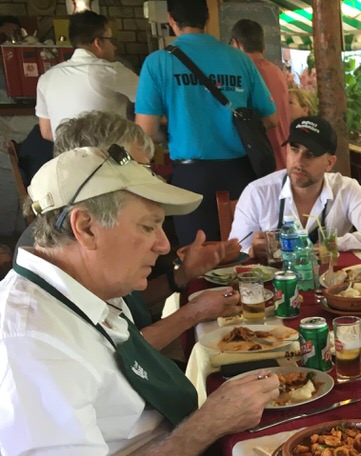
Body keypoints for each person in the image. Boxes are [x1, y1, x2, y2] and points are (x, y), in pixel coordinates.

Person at [0, 146, 281, 456]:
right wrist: (209, 421)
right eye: (148, 226)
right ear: (85, 227)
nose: (160, 245)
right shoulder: (30, 341)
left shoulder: (82, 293)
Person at [16, 111, 241, 350]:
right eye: (139, 167)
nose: (150, 176)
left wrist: (182, 275)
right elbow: (121, 352)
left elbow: (127, 310)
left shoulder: (95, 252)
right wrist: (192, 313)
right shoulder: (55, 255)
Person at [136, 0, 278, 245]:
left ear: (171, 19)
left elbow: (145, 132)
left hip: (192, 178)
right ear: (207, 19)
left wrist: (175, 127)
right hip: (242, 173)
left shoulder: (157, 63)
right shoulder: (239, 59)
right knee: (246, 253)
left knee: (199, 257)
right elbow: (270, 118)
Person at [230, 116, 361, 256]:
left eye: (310, 154)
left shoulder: (345, 189)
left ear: (329, 163)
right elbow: (235, 252)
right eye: (294, 150)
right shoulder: (258, 192)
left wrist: (331, 244)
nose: (298, 162)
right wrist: (252, 250)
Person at [35, 10, 139, 141]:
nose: (114, 47)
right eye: (111, 40)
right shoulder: (110, 71)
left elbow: (47, 132)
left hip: (65, 158)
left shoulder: (46, 78)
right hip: (109, 158)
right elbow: (152, 102)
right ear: (98, 42)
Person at [229, 18, 290, 172]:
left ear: (235, 43)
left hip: (261, 163)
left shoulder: (242, 74)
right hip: (283, 158)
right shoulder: (277, 71)